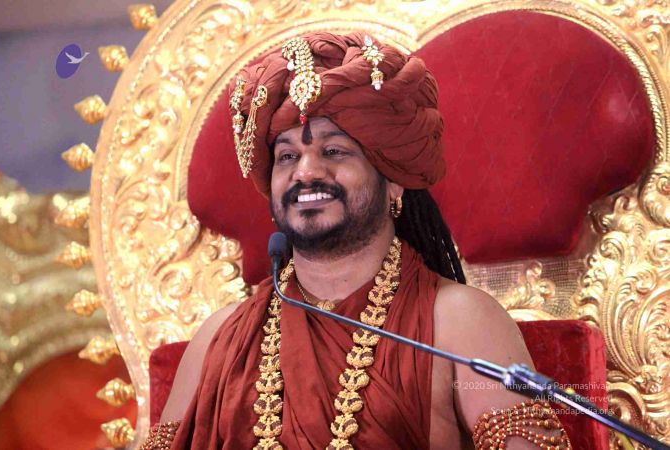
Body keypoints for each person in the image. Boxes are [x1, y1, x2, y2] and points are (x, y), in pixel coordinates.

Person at [143, 32, 571, 450]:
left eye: (334, 151)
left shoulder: (459, 322)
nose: (306, 172)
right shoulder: (220, 338)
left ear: (394, 182)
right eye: (287, 156)